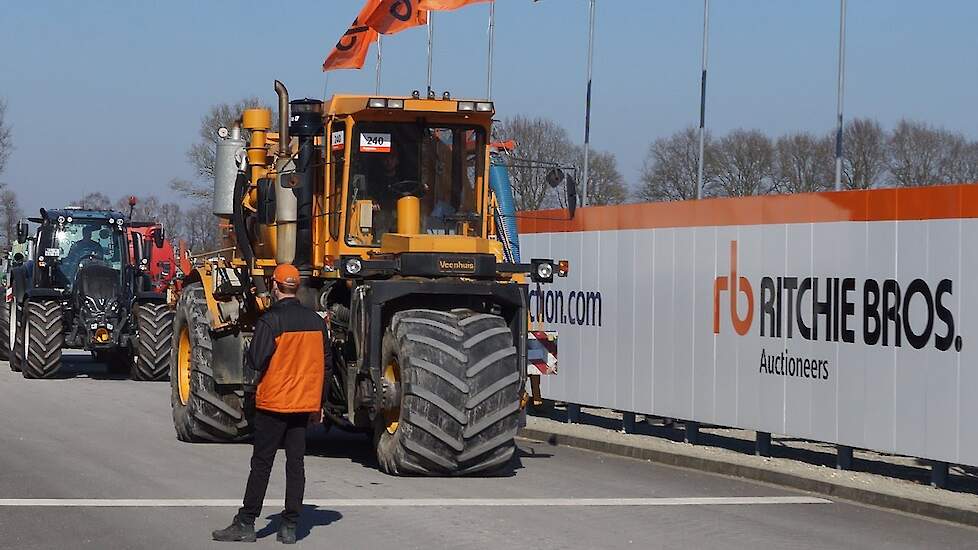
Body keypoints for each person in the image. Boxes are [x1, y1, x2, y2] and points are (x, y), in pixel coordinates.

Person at [212, 264, 330, 545]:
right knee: (295, 464)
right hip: (303, 405)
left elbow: (255, 361)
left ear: (275, 287)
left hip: (274, 403)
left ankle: (246, 522)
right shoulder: (316, 322)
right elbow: (326, 365)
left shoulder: (270, 321)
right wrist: (319, 403)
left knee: (262, 464)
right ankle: (290, 526)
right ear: (296, 288)